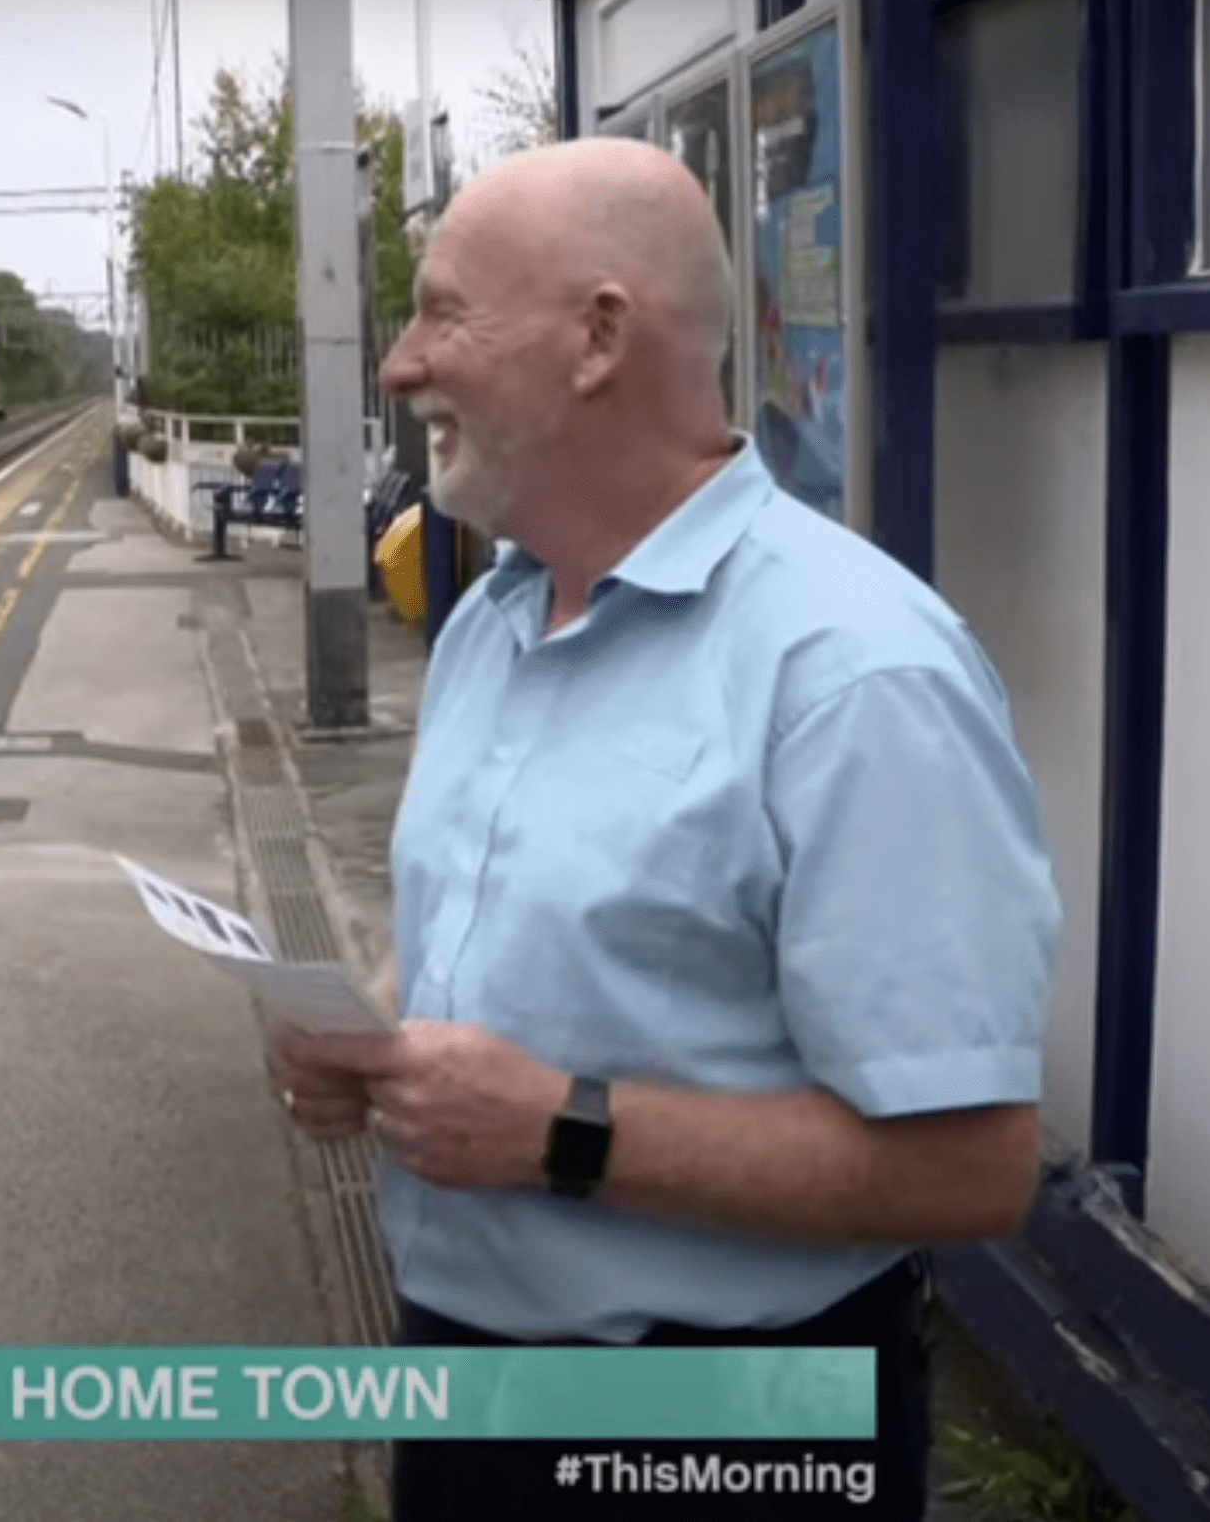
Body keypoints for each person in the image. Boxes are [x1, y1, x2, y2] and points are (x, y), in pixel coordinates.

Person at [268, 137, 1059, 1520]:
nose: (400, 363)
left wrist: (561, 1132)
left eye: (446, 312)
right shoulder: (495, 624)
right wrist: (376, 1038)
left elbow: (970, 1163)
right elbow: (506, 942)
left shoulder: (855, 674)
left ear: (598, 337)